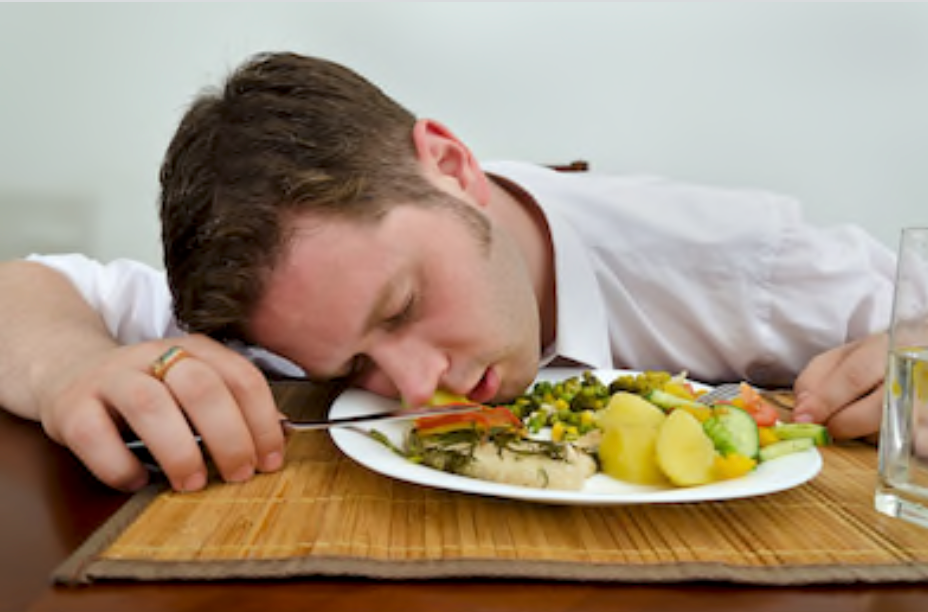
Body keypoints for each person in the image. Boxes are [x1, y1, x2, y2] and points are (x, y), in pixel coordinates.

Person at [0, 51, 896, 494]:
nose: (420, 389)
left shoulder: (738, 260)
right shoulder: (286, 302)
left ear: (454, 167)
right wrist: (71, 367)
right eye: (351, 370)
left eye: (404, 305)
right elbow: (27, 292)